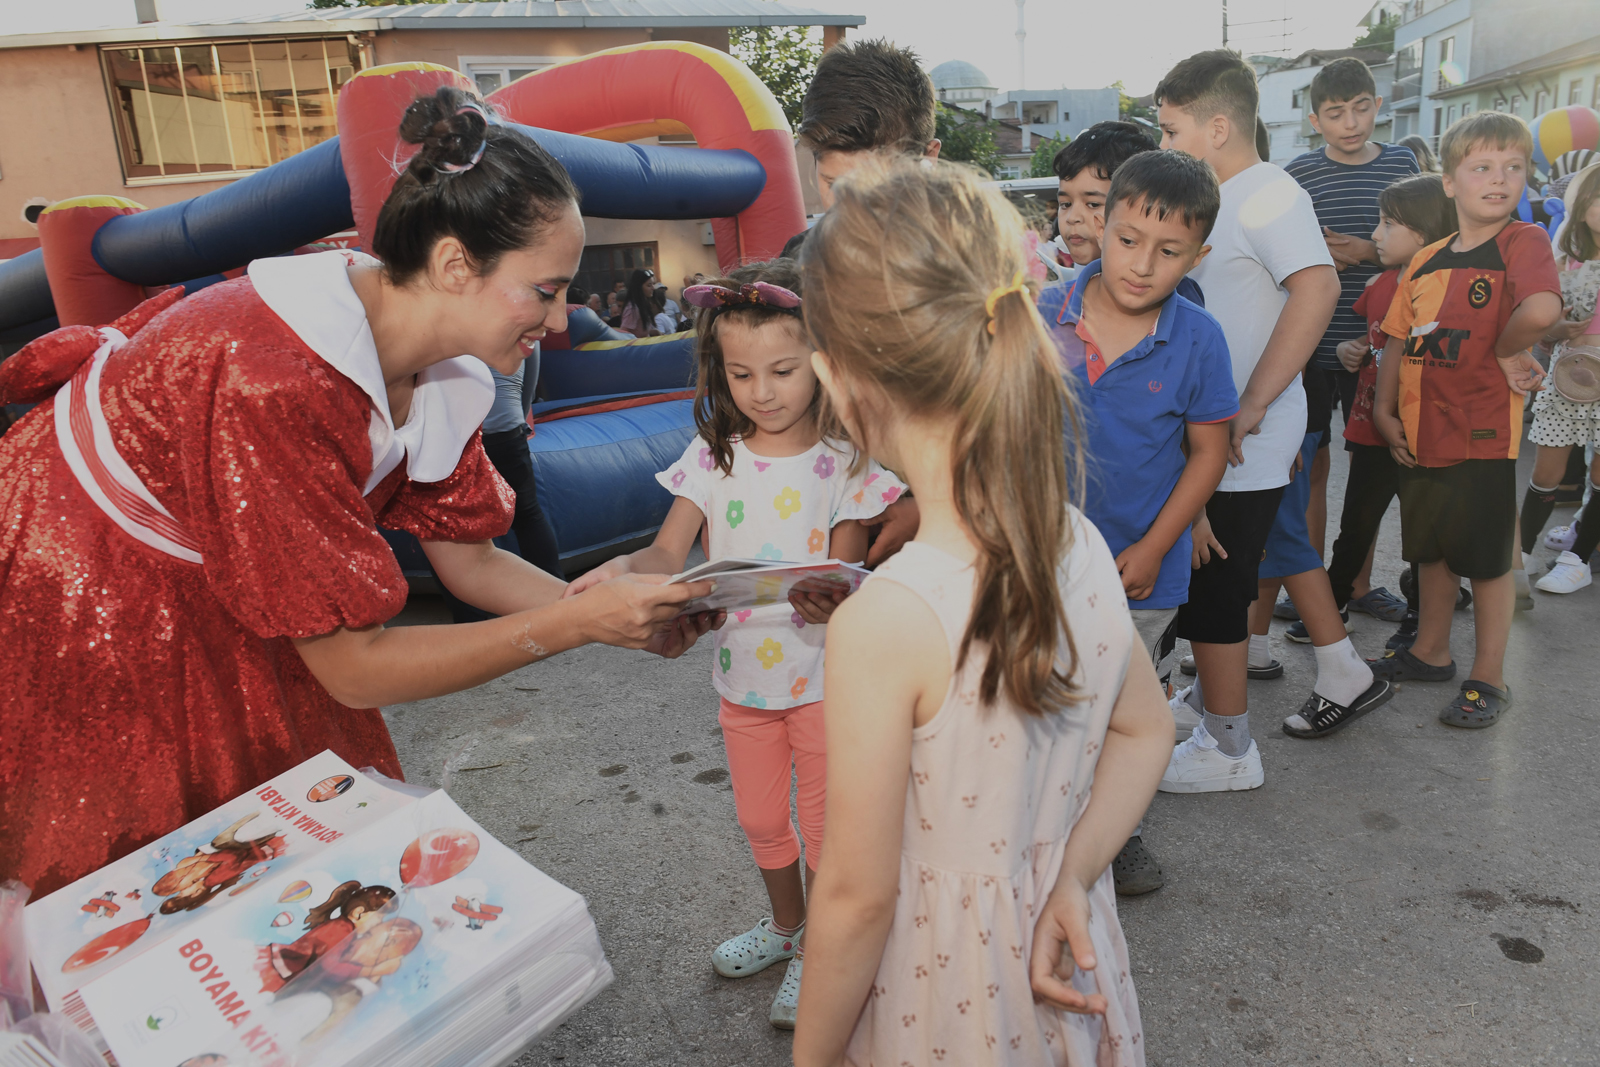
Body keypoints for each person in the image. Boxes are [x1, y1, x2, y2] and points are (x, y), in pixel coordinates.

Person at [0, 86, 718, 897]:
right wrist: (570, 622)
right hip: (85, 576)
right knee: (146, 848)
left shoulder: (441, 370)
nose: (559, 322)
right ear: (455, 265)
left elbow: (473, 563)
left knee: (288, 826)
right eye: (546, 290)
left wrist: (605, 618)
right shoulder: (274, 373)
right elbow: (353, 668)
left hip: (216, 562)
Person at [790, 156, 1172, 1067]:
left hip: (939, 989)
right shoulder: (1074, 536)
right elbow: (1146, 732)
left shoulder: (887, 619)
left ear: (836, 380)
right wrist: (1073, 873)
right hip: (1060, 943)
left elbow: (853, 895)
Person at [566, 259, 904, 1029]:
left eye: (783, 369)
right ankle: (786, 928)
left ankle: (823, 945)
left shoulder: (847, 463)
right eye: (741, 372)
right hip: (741, 685)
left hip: (826, 682)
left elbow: (846, 571)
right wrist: (620, 570)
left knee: (824, 826)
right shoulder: (712, 458)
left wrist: (831, 600)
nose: (762, 390)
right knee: (758, 818)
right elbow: (664, 553)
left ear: (822, 362)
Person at [1042, 150, 1234, 896]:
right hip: (1039, 558)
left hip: (1139, 569)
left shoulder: (1199, 338)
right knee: (1043, 695)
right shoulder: (1040, 313)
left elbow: (1210, 452)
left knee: (1121, 706)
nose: (1142, 264)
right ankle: (1040, 825)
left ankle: (1118, 831)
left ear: (1199, 256)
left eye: (1169, 251)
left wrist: (1158, 543)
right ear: (1099, 223)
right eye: (1127, 239)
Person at [1151, 50, 1344, 791]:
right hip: (1218, 430)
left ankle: (1231, 751)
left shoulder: (1267, 193)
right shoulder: (1228, 196)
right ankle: (1207, 715)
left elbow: (1318, 287)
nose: (1163, 146)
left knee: (1222, 584)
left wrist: (1256, 399)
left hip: (1243, 436)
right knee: (1207, 583)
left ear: (1219, 125)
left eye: (1171, 130)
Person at [1369, 111, 1563, 728]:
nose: (1499, 180)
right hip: (1421, 432)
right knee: (1431, 549)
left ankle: (1489, 676)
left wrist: (1508, 349)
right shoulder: (1424, 260)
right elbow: (1397, 338)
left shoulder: (1521, 242)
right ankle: (1429, 650)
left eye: (1513, 168)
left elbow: (1541, 308)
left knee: (1485, 561)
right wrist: (1381, 407)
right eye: (1481, 167)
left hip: (1482, 434)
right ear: (1449, 182)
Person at [1278, 60, 1420, 618]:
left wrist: (1364, 250)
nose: (1350, 121)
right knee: (1310, 465)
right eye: (1336, 113)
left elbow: (1432, 242)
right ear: (1316, 120)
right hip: (1314, 342)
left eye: (1361, 107)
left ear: (1378, 106)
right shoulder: (1298, 174)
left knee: (1373, 471)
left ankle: (1354, 584)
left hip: (1389, 345)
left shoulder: (1405, 164)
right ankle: (1305, 585)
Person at [795, 37, 942, 566]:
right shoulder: (797, 270)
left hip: (940, 540)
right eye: (833, 183)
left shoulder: (960, 276)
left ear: (927, 161)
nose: (848, 208)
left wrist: (928, 503)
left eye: (872, 187)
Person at [1307, 174, 1458, 664]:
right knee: (1356, 524)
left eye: (1388, 223)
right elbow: (1369, 342)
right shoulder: (1378, 285)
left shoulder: (1447, 290)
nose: (1375, 234)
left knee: (1424, 536)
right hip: (1372, 429)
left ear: (1426, 231)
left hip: (1423, 435)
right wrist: (1352, 349)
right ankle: (1329, 613)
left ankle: (1418, 626)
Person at [1519, 163, 1600, 594]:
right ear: (1581, 205)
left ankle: (1578, 559)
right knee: (1547, 471)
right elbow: (1542, 320)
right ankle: (1523, 554)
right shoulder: (1565, 257)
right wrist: (1554, 330)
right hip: (1568, 374)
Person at [619, 268, 658, 337]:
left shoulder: (643, 304)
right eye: (649, 285)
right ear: (639, 287)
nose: (653, 288)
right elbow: (624, 333)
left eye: (653, 284)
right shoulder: (632, 308)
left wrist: (653, 332)